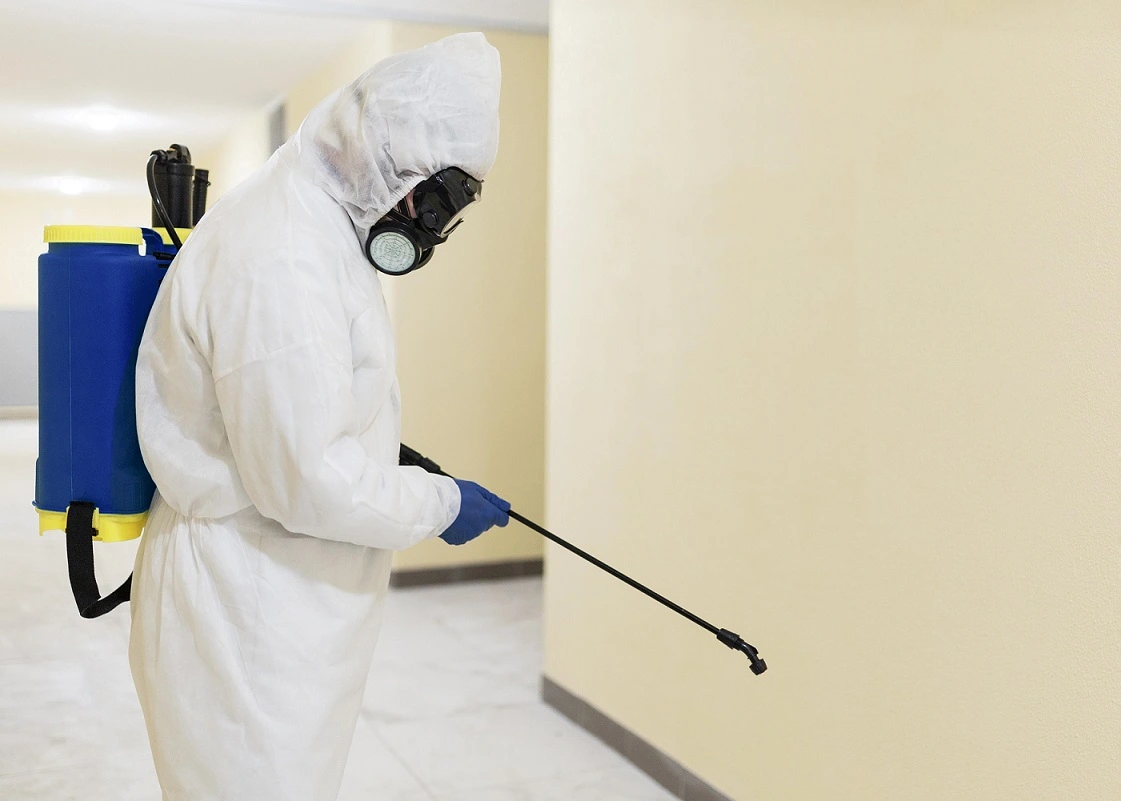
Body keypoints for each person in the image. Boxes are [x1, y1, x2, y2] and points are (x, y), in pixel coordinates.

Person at [129, 33, 506, 801]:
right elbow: (305, 480)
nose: (426, 227)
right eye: (430, 199)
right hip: (244, 610)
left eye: (449, 207)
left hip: (279, 603)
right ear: (385, 152)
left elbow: (296, 403)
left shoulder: (319, 221)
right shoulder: (283, 251)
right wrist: (439, 502)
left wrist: (372, 443)